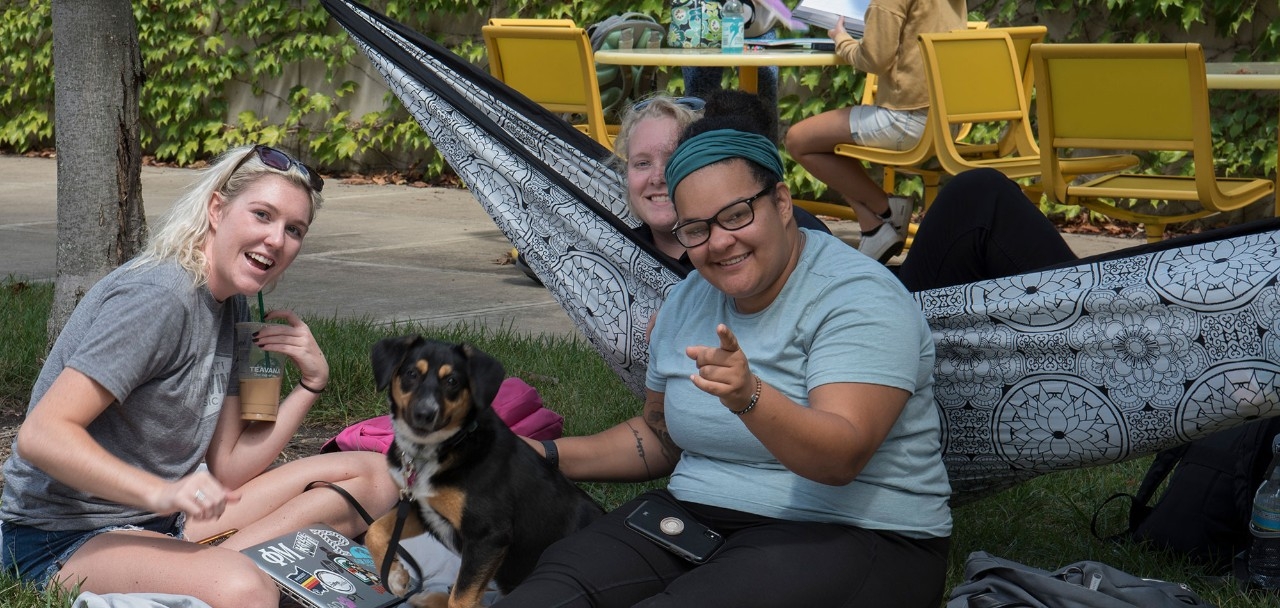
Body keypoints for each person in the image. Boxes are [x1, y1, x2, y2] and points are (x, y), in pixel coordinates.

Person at [501, 126, 952, 607]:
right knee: (552, 589)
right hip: (698, 517)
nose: (719, 243)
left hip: (854, 533)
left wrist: (749, 397)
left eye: (736, 216)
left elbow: (840, 458)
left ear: (780, 202)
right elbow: (660, 438)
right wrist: (540, 455)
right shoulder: (688, 299)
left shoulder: (857, 296)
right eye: (696, 229)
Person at [0, 145, 399, 607]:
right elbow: (42, 435)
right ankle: (217, 571)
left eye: (294, 229)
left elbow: (229, 467)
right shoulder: (159, 298)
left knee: (375, 475)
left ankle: (199, 566)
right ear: (216, 209)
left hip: (167, 520)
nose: (276, 240)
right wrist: (165, 491)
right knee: (244, 589)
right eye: (262, 215)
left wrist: (311, 386)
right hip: (60, 537)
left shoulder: (235, 304)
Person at [784, 1, 967, 263]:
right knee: (822, 139)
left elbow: (875, 58)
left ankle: (885, 210)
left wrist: (842, 39)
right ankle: (873, 224)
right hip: (947, 118)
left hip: (908, 120)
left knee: (798, 140)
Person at [617, 92, 829, 272]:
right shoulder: (617, 249)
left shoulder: (791, 232)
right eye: (642, 163)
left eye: (674, 161)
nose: (657, 178)